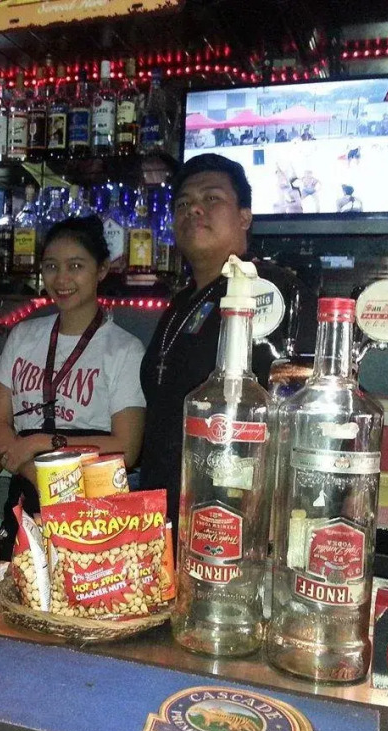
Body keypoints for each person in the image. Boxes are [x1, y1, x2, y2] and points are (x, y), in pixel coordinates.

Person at [138, 153, 315, 535]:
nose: (194, 209)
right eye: (182, 203)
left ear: (244, 216)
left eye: (212, 198)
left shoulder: (272, 291)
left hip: (237, 519)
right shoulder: (181, 303)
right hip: (165, 517)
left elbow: (306, 410)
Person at [0, 216, 146, 558]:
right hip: (27, 496)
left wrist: (42, 443)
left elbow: (127, 447)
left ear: (101, 270)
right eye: (51, 266)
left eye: (75, 266)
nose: (61, 279)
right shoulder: (23, 335)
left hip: (92, 504)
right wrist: (35, 474)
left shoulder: (124, 349)